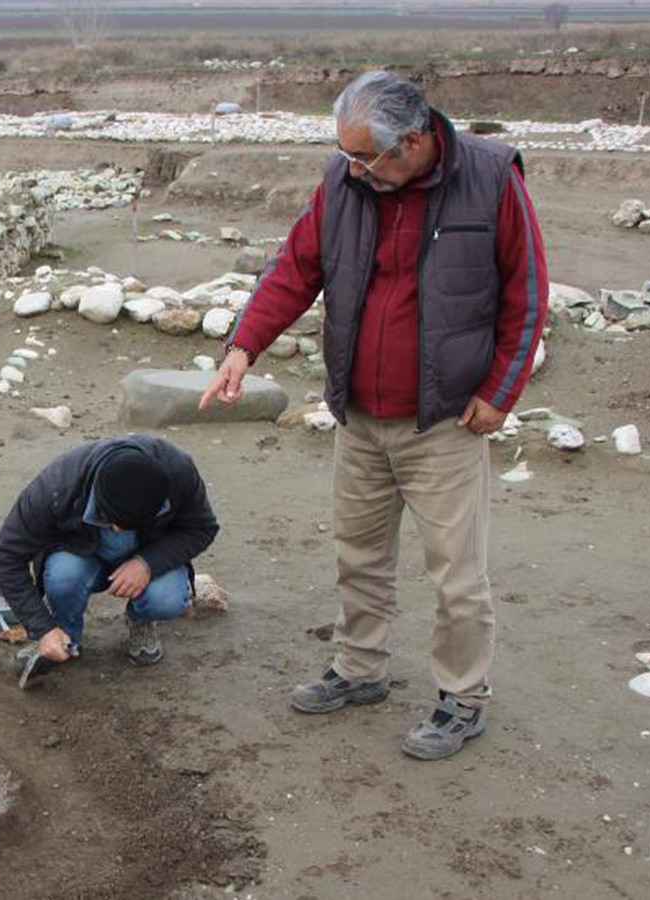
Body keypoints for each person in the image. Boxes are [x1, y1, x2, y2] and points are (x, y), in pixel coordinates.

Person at [201, 71, 548, 760]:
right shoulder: (345, 181)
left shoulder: (490, 177)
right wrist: (243, 346)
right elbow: (295, 269)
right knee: (358, 554)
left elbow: (527, 295)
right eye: (346, 155)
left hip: (445, 421)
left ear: (414, 141)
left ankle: (462, 698)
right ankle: (359, 670)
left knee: (457, 574)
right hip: (360, 415)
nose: (351, 167)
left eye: (364, 157)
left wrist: (499, 394)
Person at [0, 436, 218, 683]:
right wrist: (40, 627)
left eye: (131, 524)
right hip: (80, 555)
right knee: (63, 576)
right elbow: (6, 557)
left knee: (167, 599)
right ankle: (63, 634)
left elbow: (202, 528)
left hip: (147, 552)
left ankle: (140, 620)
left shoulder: (179, 471)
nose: (119, 530)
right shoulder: (57, 487)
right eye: (111, 520)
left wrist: (147, 563)